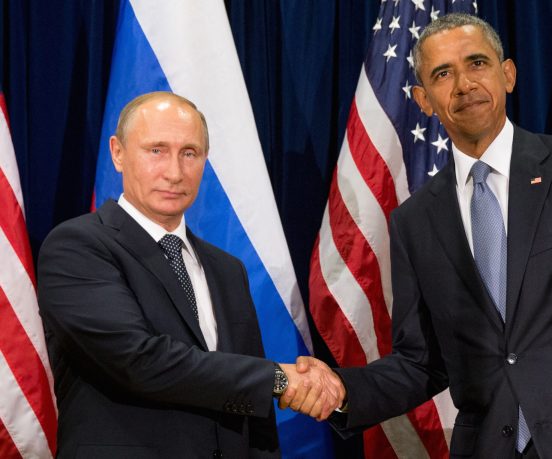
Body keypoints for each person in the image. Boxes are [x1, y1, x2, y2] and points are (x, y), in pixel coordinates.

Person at [290, 13, 552, 458]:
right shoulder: (414, 222)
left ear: (508, 75)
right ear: (424, 99)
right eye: (443, 74)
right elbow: (419, 363)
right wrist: (340, 388)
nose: (463, 84)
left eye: (477, 63)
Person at [37, 92, 343, 458]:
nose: (174, 172)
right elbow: (138, 361)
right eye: (156, 150)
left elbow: (252, 415)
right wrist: (278, 378)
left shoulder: (227, 269)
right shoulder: (77, 246)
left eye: (189, 153)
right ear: (118, 153)